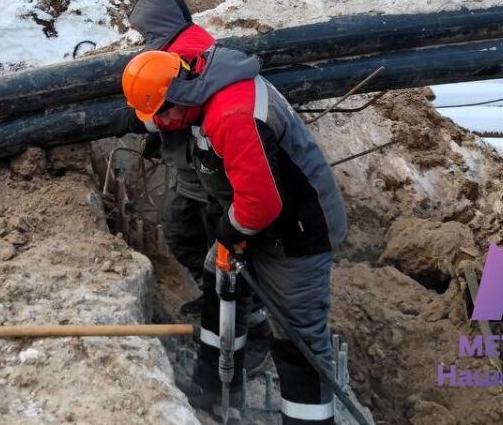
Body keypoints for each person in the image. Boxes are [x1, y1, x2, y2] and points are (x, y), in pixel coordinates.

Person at [122, 40, 347, 424]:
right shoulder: (199, 88)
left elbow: (262, 202)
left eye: (159, 115)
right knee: (219, 286)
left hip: (297, 232)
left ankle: (308, 418)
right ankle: (214, 389)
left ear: (179, 97)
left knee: (297, 336)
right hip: (258, 221)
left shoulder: (233, 114)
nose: (156, 125)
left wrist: (230, 231)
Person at [127, 0, 218, 285]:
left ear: (156, 25)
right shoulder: (190, 38)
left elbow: (176, 111)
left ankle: (224, 301)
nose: (141, 40)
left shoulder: (180, 56)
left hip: (201, 166)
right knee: (202, 233)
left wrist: (142, 120)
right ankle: (217, 297)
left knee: (184, 231)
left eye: (143, 33)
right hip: (197, 162)